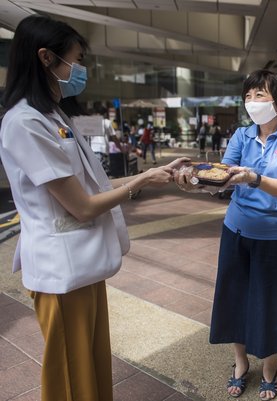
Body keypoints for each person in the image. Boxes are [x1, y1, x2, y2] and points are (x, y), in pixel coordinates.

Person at [0, 15, 189, 401]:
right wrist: (140, 181)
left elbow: (94, 186)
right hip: (61, 271)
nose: (81, 69)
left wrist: (151, 173)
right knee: (71, 375)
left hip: (82, 266)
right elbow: (83, 206)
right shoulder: (24, 123)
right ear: (46, 59)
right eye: (77, 59)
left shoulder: (53, 116)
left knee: (92, 364)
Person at [205, 70, 277, 400]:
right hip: (236, 231)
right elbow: (223, 174)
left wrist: (254, 178)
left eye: (260, 95)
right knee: (233, 300)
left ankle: (270, 366)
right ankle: (239, 363)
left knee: (271, 304)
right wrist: (204, 181)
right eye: (248, 96)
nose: (252, 103)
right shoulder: (241, 136)